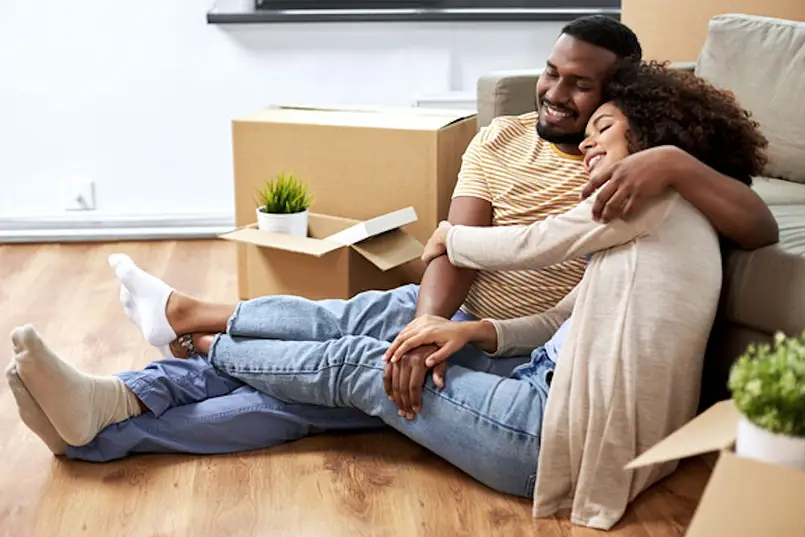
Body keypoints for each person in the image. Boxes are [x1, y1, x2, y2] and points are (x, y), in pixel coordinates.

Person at [7, 15, 777, 462]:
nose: (554, 92)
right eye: (550, 73)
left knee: (314, 388)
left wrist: (664, 161)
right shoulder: (500, 137)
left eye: (580, 86)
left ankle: (143, 379)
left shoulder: (632, 176)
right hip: (467, 316)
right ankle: (126, 386)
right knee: (338, 332)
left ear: (621, 95)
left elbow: (754, 222)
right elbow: (455, 246)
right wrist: (426, 321)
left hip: (520, 353)